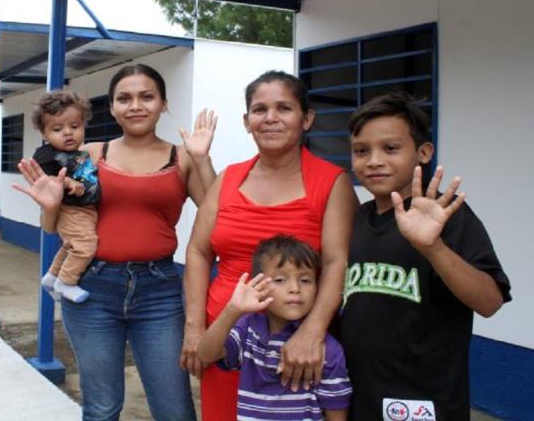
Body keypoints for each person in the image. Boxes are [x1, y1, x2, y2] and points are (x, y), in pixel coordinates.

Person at [16, 64, 217, 420]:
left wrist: (202, 159)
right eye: (124, 98)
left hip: (160, 292)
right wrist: (51, 207)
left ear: (164, 103)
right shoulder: (90, 154)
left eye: (146, 96)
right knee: (102, 407)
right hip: (93, 289)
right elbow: (53, 226)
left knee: (174, 409)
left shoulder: (182, 156)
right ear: (111, 107)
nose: (135, 105)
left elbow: (216, 216)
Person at [183, 70, 358, 421]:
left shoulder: (332, 182)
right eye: (260, 110)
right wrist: (194, 327)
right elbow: (199, 252)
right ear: (246, 121)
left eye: (284, 108)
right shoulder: (228, 179)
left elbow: (338, 263)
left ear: (307, 118)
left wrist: (312, 332)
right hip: (227, 340)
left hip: (296, 347)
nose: (271, 118)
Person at [341, 92, 511, 419]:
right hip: (360, 400)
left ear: (423, 152)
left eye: (391, 148)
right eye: (361, 151)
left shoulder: (448, 217)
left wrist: (433, 247)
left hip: (424, 406)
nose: (374, 160)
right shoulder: (358, 219)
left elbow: (490, 302)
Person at [198, 235, 351, 421]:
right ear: (259, 286)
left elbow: (337, 412)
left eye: (305, 280)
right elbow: (206, 355)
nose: (295, 288)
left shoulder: (324, 349)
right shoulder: (249, 329)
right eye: (280, 280)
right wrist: (231, 311)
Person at [25, 90, 101, 303]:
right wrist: (67, 182)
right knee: (85, 245)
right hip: (70, 209)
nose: (68, 133)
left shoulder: (81, 153)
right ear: (44, 134)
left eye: (75, 126)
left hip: (86, 208)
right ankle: (66, 282)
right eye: (57, 129)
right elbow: (45, 178)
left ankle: (52, 276)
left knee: (71, 245)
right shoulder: (46, 154)